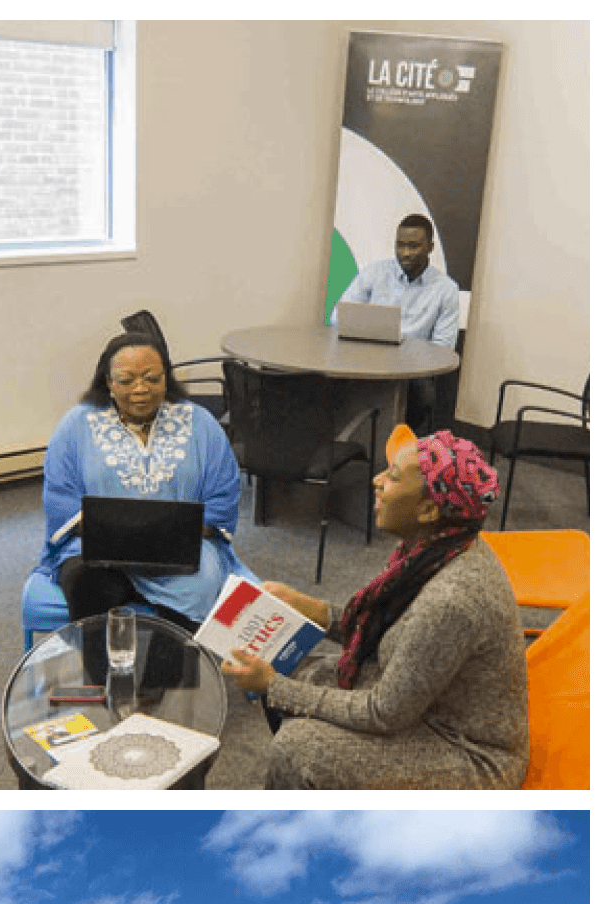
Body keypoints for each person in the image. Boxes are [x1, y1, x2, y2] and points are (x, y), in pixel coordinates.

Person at [221, 431, 530, 790]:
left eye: (393, 477)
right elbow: (380, 623)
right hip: (426, 706)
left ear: (428, 510)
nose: (376, 481)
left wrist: (273, 686)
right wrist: (310, 608)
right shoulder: (431, 548)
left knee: (297, 748)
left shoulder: (450, 600)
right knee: (304, 673)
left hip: (467, 752)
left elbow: (384, 712)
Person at [37, 331, 250, 632]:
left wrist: (175, 531)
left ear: (167, 379)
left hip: (183, 549)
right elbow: (60, 496)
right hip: (98, 551)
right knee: (87, 583)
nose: (141, 389)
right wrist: (114, 530)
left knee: (201, 584)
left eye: (152, 378)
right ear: (108, 383)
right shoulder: (76, 425)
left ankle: (171, 675)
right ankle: (103, 677)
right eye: (126, 380)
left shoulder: (201, 423)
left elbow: (223, 495)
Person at [333, 213, 460, 433]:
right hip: (366, 360)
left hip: (413, 373)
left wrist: (405, 355)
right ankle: (349, 443)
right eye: (400, 245)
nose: (405, 253)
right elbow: (339, 317)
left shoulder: (446, 290)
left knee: (419, 398)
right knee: (330, 383)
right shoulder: (374, 273)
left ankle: (396, 449)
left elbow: (443, 348)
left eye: (413, 246)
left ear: (430, 247)